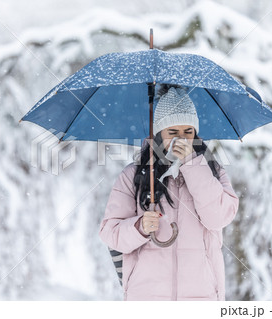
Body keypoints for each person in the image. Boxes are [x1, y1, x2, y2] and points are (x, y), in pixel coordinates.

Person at [98, 85, 239, 301]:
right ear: (159, 135)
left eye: (188, 132)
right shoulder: (133, 176)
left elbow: (218, 218)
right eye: (172, 133)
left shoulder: (212, 171)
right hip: (147, 298)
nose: (180, 139)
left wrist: (193, 166)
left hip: (201, 298)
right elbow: (110, 232)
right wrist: (140, 227)